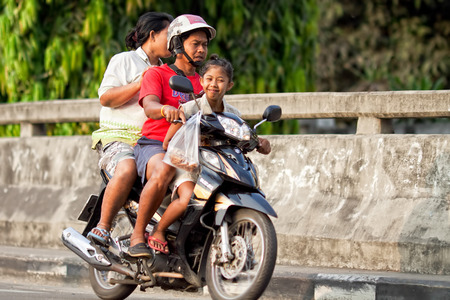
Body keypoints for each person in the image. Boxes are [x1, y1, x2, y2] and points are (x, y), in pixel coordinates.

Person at [147, 54, 271, 254]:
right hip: (190, 166)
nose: (214, 84)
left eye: (220, 80)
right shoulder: (189, 108)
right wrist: (182, 158)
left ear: (229, 85)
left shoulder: (233, 114)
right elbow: (169, 142)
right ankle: (159, 230)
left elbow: (245, 135)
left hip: (218, 167)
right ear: (201, 81)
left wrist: (261, 143)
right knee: (188, 197)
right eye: (210, 79)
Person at [128, 14, 216, 257]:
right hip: (155, 144)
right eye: (195, 44)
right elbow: (149, 105)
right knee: (163, 170)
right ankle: (137, 236)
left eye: (204, 45)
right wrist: (163, 109)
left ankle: (168, 234)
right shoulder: (157, 74)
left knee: (192, 194)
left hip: (187, 151)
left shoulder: (204, 83)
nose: (201, 50)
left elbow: (219, 112)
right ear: (178, 45)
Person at [87, 12, 174, 245]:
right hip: (120, 139)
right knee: (126, 169)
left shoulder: (169, 71)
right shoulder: (124, 60)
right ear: (153, 35)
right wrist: (141, 83)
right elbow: (106, 98)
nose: (174, 40)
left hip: (152, 141)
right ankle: (103, 227)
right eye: (170, 34)